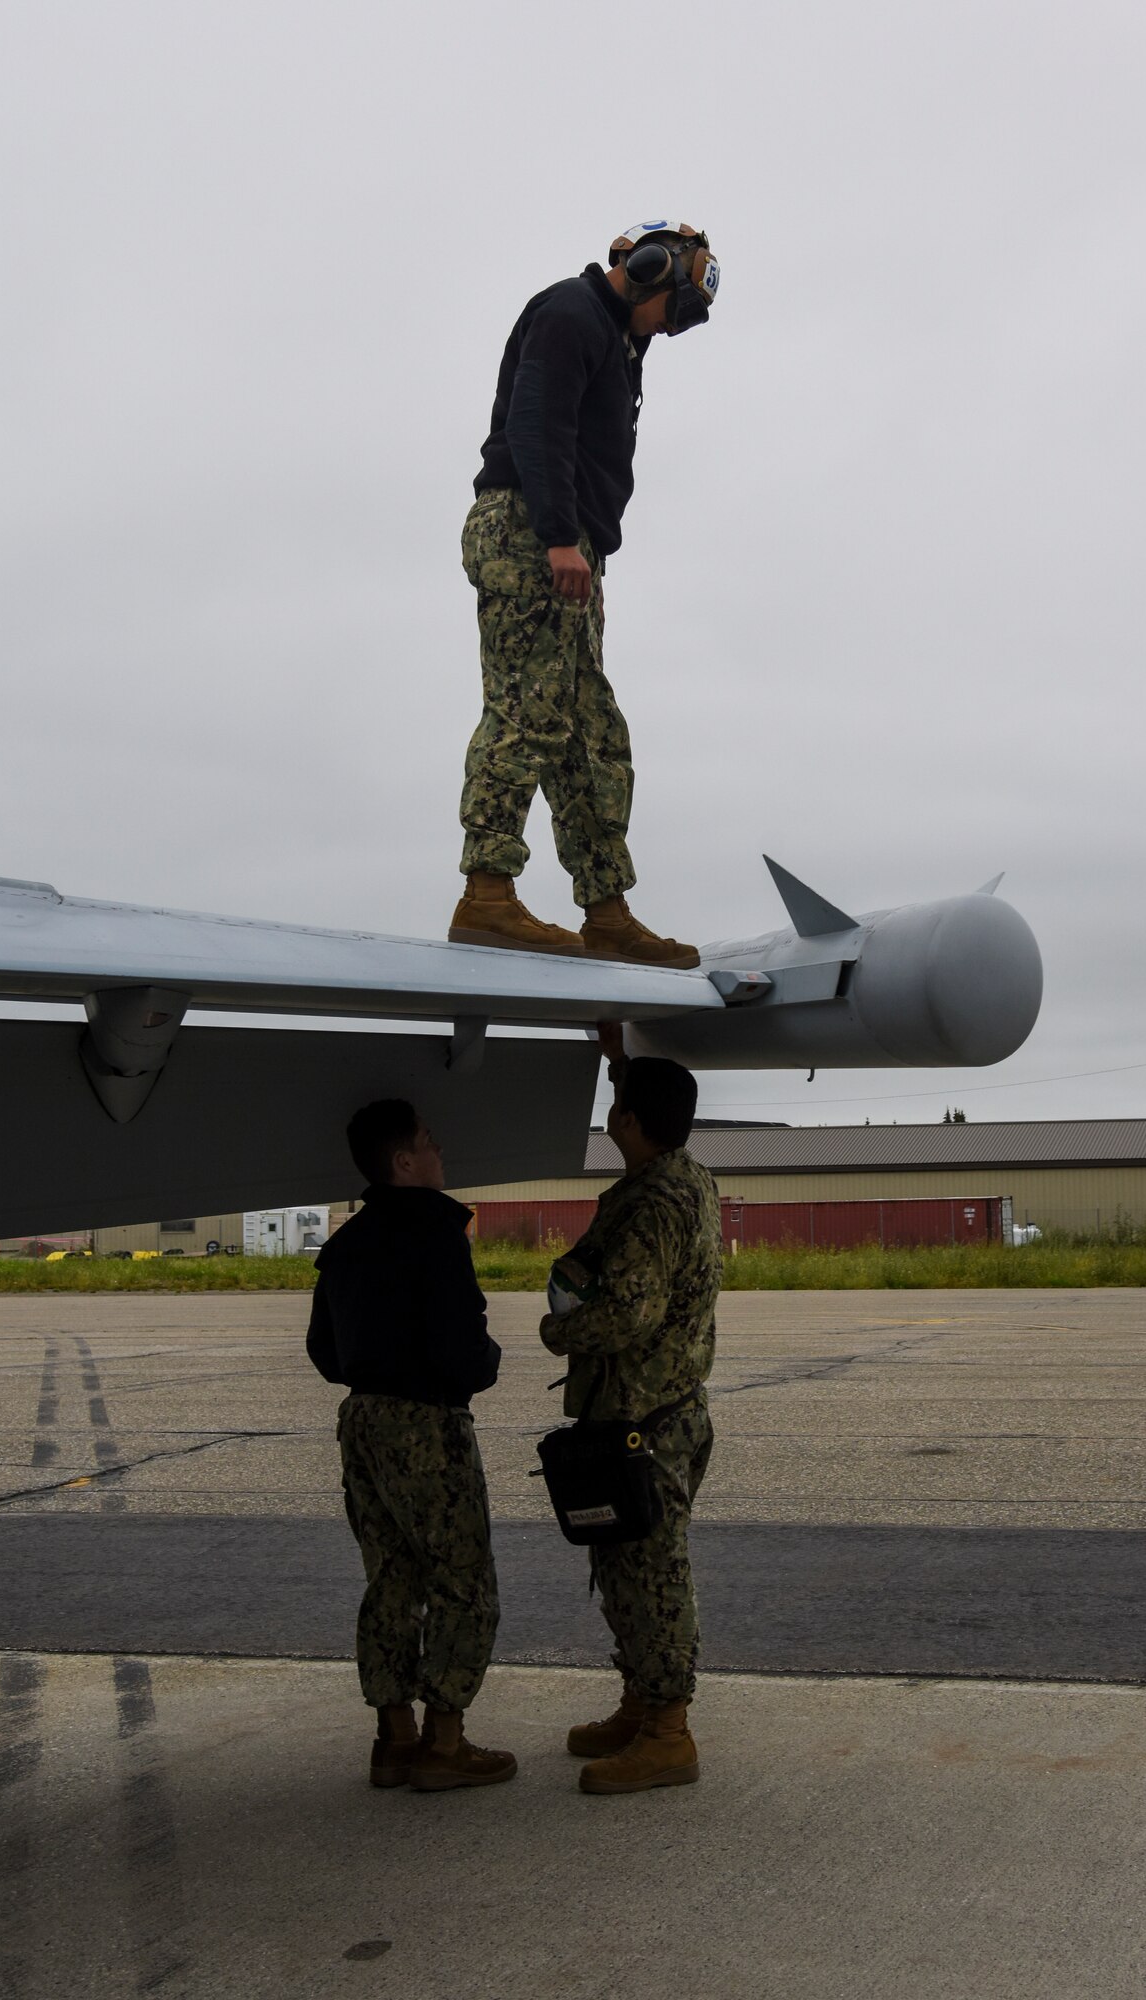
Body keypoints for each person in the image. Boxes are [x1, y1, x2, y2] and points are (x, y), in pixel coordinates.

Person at [450, 221, 721, 969]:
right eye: (673, 310)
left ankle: (606, 912)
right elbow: (537, 424)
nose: (669, 330)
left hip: (565, 545)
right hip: (532, 531)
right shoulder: (571, 313)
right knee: (527, 712)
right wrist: (560, 538)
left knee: (589, 732)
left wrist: (583, 555)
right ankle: (487, 897)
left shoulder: (618, 342)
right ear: (648, 270)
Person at [306, 1098, 516, 1792]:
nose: (440, 1152)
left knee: (391, 1574)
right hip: (427, 1424)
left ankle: (394, 1736)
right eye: (429, 1142)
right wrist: (488, 1362)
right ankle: (446, 1741)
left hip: (362, 1421)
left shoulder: (344, 1244)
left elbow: (324, 1351)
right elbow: (461, 1348)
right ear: (404, 1162)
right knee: (463, 1578)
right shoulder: (434, 1232)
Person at [539, 1026, 722, 1793]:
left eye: (617, 1106)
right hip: (659, 1410)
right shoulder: (687, 1175)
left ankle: (668, 1732)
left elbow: (631, 1316)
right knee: (623, 1567)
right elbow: (652, 1101)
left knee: (650, 1572)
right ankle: (640, 1703)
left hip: (646, 1419)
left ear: (630, 1123)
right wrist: (621, 1057)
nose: (610, 1116)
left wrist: (559, 1329)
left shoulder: (651, 1204)